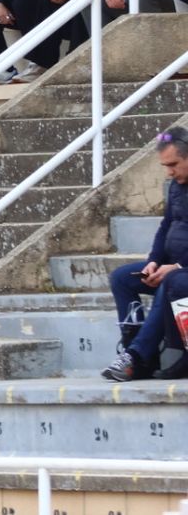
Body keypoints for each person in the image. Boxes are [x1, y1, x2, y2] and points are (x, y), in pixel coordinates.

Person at [101, 128, 188, 382]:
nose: (169, 172)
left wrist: (177, 266)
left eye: (174, 165)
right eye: (165, 166)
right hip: (175, 268)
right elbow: (166, 227)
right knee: (122, 278)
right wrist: (154, 262)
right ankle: (139, 355)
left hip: (181, 273)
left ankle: (137, 356)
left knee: (172, 280)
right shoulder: (176, 187)